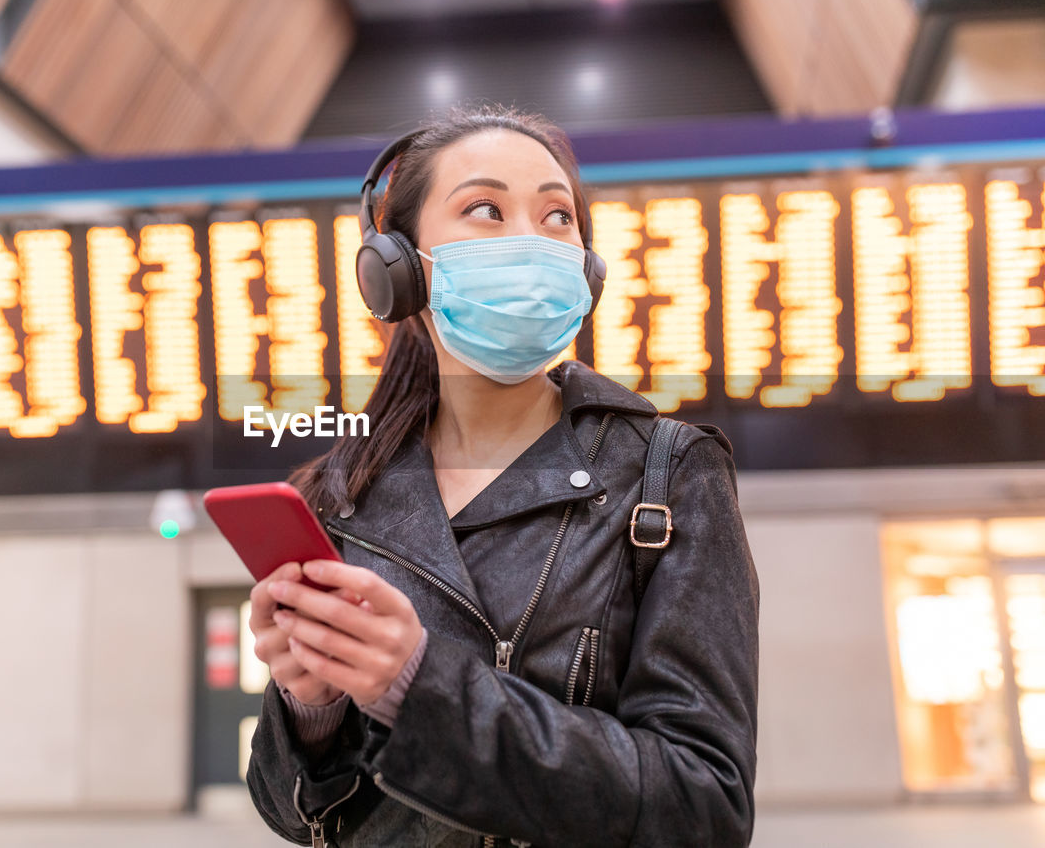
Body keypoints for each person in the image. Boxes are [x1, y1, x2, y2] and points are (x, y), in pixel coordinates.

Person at [245, 104, 760, 848]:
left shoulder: (669, 475)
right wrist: (311, 707)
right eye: (485, 209)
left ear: (587, 271)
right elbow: (295, 816)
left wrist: (418, 687)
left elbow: (705, 807)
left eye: (557, 217)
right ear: (396, 268)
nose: (531, 239)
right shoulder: (340, 496)